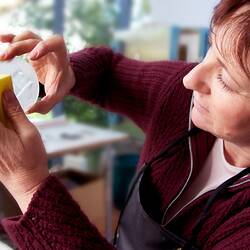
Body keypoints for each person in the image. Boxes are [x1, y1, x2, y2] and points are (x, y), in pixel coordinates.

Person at [0, 0, 249, 249]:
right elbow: (109, 70)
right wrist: (67, 72)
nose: (190, 79)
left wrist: (31, 186)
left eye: (225, 79)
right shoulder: (179, 97)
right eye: (211, 47)